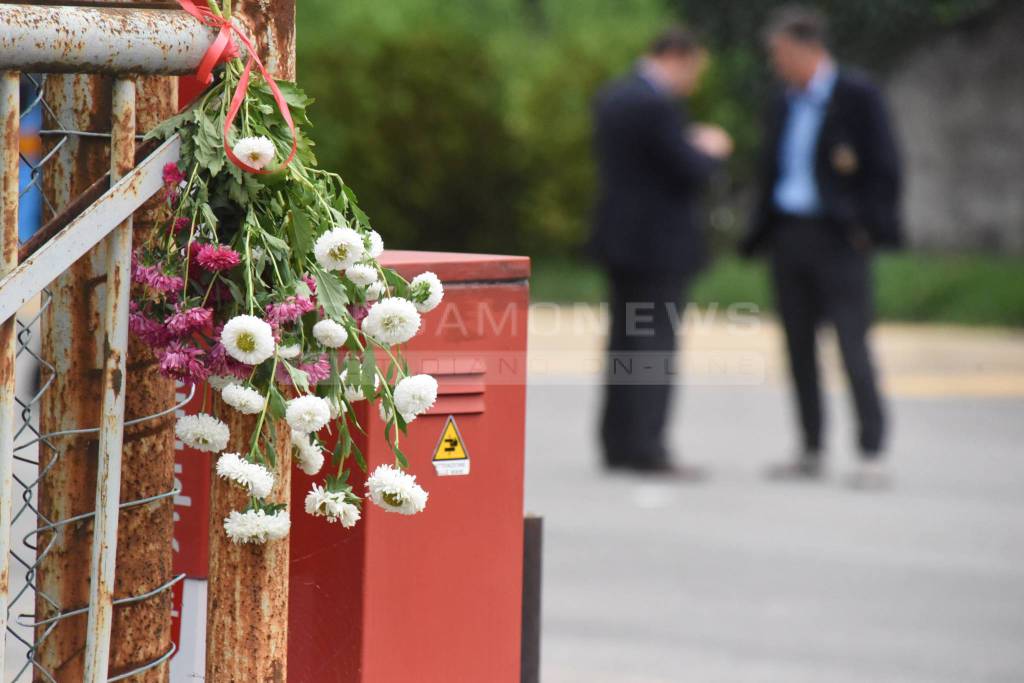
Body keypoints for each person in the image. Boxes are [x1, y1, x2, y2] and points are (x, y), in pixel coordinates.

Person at [740, 5, 903, 487]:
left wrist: (866, 229)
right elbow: (770, 168)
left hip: (840, 237)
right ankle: (811, 446)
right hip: (790, 233)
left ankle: (871, 449)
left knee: (852, 343)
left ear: (809, 49)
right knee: (797, 346)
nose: (777, 64)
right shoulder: (783, 100)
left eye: (782, 54)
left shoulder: (857, 94)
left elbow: (886, 167)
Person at [591, 27, 733, 477]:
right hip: (659, 246)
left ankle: (617, 442)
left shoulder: (615, 95)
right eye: (694, 70)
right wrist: (711, 149)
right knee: (654, 345)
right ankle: (647, 446)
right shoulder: (656, 104)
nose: (694, 81)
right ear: (677, 57)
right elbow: (685, 168)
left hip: (621, 240)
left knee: (623, 343)